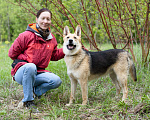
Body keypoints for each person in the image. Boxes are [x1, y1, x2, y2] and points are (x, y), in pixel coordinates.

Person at [8, 8, 65, 112]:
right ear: (37, 19)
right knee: (30, 66)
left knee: (56, 81)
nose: (45, 21)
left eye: (48, 19)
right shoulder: (26, 35)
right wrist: (26, 60)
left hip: (39, 72)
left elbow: (54, 55)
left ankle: (35, 92)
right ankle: (28, 101)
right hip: (22, 71)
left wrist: (67, 50)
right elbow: (11, 53)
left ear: (50, 21)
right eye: (43, 18)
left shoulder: (51, 39)